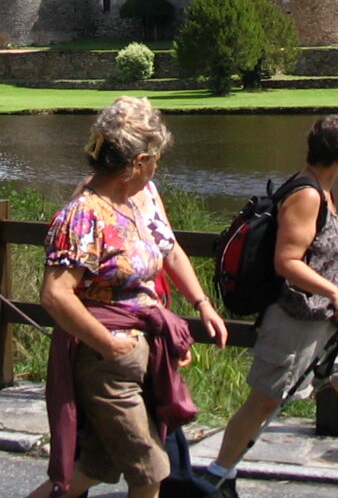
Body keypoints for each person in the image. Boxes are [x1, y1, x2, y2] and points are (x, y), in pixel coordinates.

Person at [197, 115, 338, 498]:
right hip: (296, 320)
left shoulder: (322, 190)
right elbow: (287, 262)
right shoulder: (306, 195)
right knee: (263, 403)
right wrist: (335, 294)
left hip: (336, 324)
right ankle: (218, 477)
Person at [27, 97, 228, 498]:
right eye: (155, 160)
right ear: (137, 161)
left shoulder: (135, 201)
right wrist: (109, 345)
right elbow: (55, 294)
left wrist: (193, 310)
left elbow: (167, 251)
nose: (157, 168)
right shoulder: (85, 213)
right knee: (151, 471)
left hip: (137, 351)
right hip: (105, 361)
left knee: (94, 468)